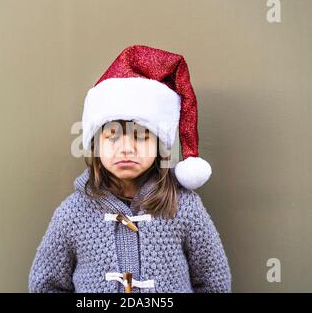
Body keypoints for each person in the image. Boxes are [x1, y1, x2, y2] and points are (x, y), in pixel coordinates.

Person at [28, 45, 231, 293]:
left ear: (159, 145)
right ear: (95, 145)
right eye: (112, 136)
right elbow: (46, 284)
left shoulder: (183, 206)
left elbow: (213, 281)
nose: (126, 148)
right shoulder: (73, 213)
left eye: (141, 137)